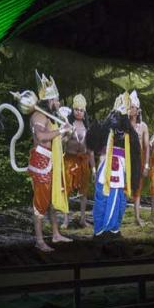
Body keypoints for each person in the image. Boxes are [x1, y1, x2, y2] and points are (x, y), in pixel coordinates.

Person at [24, 70, 73, 252]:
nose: (58, 103)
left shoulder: (50, 118)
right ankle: (39, 241)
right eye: (56, 100)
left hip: (52, 162)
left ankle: (56, 234)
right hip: (41, 163)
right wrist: (61, 130)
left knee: (51, 200)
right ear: (49, 101)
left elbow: (57, 142)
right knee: (40, 203)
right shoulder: (38, 116)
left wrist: (67, 134)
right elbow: (42, 137)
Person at [88, 91, 141, 239]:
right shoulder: (107, 125)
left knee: (120, 199)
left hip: (122, 168)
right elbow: (94, 143)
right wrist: (107, 124)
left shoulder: (130, 131)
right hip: (106, 166)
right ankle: (100, 230)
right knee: (103, 197)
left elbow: (136, 152)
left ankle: (114, 229)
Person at [61, 94, 96, 229]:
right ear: (73, 110)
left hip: (83, 160)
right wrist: (67, 135)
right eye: (76, 109)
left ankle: (82, 219)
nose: (79, 112)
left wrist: (94, 169)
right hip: (69, 160)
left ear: (84, 111)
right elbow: (60, 143)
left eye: (81, 110)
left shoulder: (88, 127)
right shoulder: (67, 124)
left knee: (84, 191)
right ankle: (65, 220)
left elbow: (91, 150)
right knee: (66, 190)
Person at [128, 90, 150, 226]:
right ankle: (117, 218)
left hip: (139, 160)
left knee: (137, 189)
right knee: (123, 187)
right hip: (125, 159)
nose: (130, 109)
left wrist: (146, 165)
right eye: (129, 106)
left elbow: (146, 148)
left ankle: (137, 218)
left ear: (138, 110)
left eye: (133, 107)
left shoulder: (143, 127)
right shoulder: (124, 125)